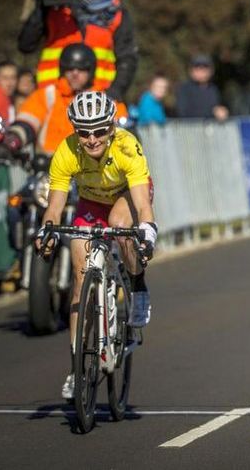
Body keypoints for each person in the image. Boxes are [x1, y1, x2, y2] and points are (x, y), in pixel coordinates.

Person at [36, 91, 157, 400]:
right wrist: (47, 229)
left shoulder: (127, 146)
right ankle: (77, 368)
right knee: (80, 280)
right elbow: (56, 204)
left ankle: (137, 282)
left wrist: (147, 231)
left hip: (125, 197)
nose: (92, 139)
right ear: (75, 131)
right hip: (90, 203)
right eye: (84, 132)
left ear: (112, 127)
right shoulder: (67, 151)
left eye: (100, 130)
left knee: (120, 225)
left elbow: (143, 204)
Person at [18, 0, 137, 102]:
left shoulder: (114, 12)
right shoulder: (55, 7)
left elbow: (127, 57)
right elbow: (26, 45)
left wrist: (115, 91)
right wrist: (40, 7)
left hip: (98, 100)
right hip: (53, 98)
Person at [0, 43, 126, 157]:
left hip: (93, 172)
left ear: (90, 71)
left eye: (81, 69)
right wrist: (13, 140)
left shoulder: (104, 99)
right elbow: (27, 121)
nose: (75, 73)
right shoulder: (48, 94)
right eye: (70, 68)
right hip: (49, 169)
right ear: (63, 70)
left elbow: (123, 129)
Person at [174, 54, 228, 120]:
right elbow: (183, 113)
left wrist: (222, 113)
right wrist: (213, 113)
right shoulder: (184, 89)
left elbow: (217, 109)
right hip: (190, 129)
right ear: (191, 71)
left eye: (204, 67)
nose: (200, 71)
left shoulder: (214, 90)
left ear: (210, 71)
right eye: (197, 67)